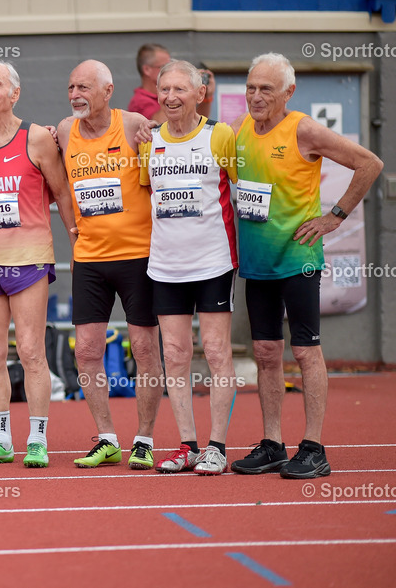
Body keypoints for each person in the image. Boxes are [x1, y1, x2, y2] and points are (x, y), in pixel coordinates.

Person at [229, 53, 383, 479]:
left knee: (305, 351)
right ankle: (272, 444)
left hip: (298, 259)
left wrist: (335, 216)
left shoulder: (303, 129)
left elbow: (370, 163)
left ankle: (314, 447)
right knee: (265, 353)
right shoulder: (239, 129)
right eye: (251, 88)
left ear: (289, 92)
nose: (256, 96)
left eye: (266, 89)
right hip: (257, 264)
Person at [0, 61, 77, 468]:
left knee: (30, 350)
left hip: (27, 260)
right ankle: (0, 440)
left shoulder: (37, 138)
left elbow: (63, 194)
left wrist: (77, 245)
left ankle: (38, 440)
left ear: (15, 94)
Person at [53, 59, 162, 470]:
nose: (75, 95)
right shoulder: (65, 130)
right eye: (71, 87)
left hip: (138, 256)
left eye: (83, 87)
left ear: (107, 90)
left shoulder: (132, 123)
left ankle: (144, 440)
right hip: (90, 259)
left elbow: (163, 161)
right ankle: (107, 439)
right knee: (86, 350)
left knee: (145, 348)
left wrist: (152, 137)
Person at [137, 60, 238, 475]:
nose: (171, 97)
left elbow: (245, 186)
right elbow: (147, 193)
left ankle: (217, 447)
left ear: (200, 94)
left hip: (213, 262)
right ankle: (188, 446)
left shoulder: (221, 135)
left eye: (180, 89)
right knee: (175, 355)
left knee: (215, 351)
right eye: (165, 89)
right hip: (165, 266)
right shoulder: (149, 140)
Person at [127, 43, 215, 122]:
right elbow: (158, 125)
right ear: (147, 70)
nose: (170, 70)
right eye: (164, 66)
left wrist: (205, 97)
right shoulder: (139, 101)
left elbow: (195, 123)